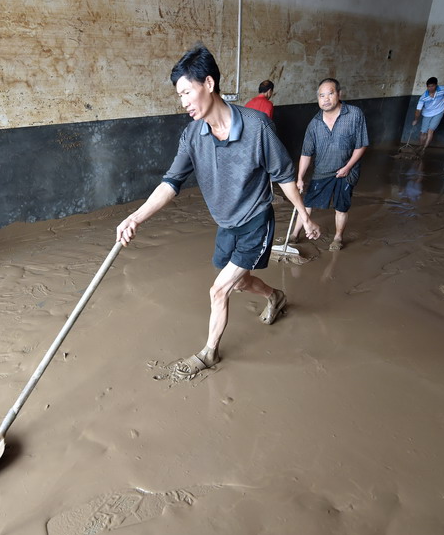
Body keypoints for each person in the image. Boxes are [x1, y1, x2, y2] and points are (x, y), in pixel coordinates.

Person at [116, 45, 320, 380]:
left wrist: (305, 216)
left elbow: (283, 176)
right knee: (239, 284)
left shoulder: (257, 127)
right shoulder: (193, 135)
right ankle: (275, 295)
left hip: (255, 221)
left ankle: (209, 353)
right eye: (179, 95)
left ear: (208, 84)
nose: (183, 102)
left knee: (219, 289)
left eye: (186, 92)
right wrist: (136, 217)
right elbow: (171, 183)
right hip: (226, 224)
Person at [290, 78, 369, 251]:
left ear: (339, 94)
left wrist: (347, 167)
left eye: (330, 93)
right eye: (321, 95)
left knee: (341, 206)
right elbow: (306, 153)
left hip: (348, 171)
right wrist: (300, 177)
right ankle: (294, 234)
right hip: (323, 169)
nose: (325, 99)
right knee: (308, 202)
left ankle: (338, 238)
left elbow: (361, 144)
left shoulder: (355, 114)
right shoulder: (314, 124)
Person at [412, 77, 444, 152]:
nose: (430, 88)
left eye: (432, 86)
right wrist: (416, 119)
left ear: (436, 85)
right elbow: (418, 110)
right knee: (423, 132)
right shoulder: (423, 97)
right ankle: (420, 146)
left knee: (430, 130)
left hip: (439, 112)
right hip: (427, 113)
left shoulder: (443, 89)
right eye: (428, 86)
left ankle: (424, 148)